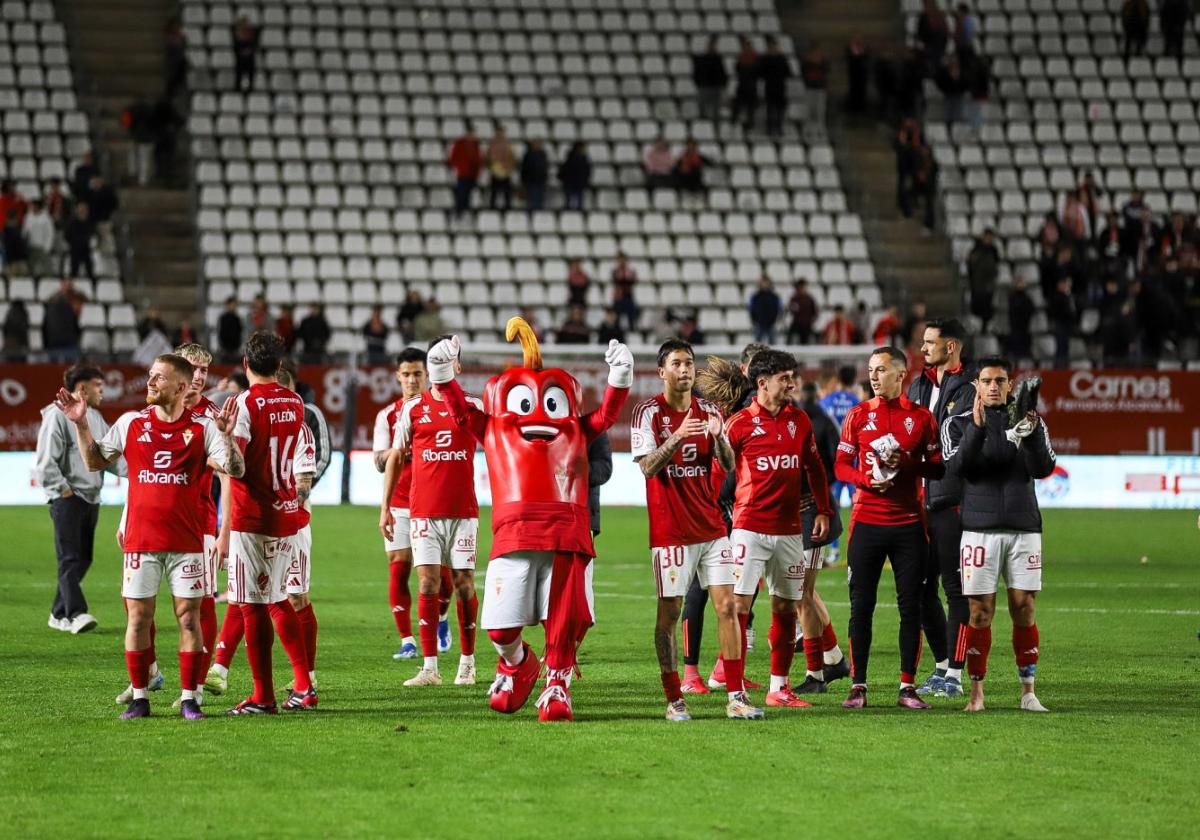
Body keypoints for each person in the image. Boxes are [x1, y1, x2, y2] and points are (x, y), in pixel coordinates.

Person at [433, 324, 633, 722]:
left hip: (567, 534)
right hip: (514, 533)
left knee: (564, 621)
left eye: (553, 403)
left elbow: (608, 414)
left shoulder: (577, 428)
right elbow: (458, 410)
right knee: (499, 628)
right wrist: (442, 376)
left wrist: (619, 378)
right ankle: (518, 663)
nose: (540, 413)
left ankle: (556, 683)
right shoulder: (491, 426)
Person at [58, 353, 242, 720]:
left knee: (189, 619)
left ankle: (190, 698)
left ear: (181, 386)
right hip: (142, 542)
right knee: (138, 619)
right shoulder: (131, 424)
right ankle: (140, 697)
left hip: (188, 542)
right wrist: (81, 425)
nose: (151, 382)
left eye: (159, 377)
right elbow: (95, 461)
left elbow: (234, 469)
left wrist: (227, 436)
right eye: (151, 375)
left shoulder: (203, 428)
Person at [631, 340, 763, 722]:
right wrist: (677, 436)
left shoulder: (708, 410)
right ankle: (674, 698)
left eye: (689, 363)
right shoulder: (648, 413)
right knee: (670, 613)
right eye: (677, 364)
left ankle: (736, 696)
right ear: (662, 372)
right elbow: (647, 468)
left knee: (730, 607)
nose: (685, 370)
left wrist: (720, 437)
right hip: (671, 532)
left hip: (712, 529)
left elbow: (729, 463)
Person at [834, 346, 944, 710]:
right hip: (866, 522)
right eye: (871, 370)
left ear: (901, 374)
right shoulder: (858, 415)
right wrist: (863, 480)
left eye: (881, 370)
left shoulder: (923, 418)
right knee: (859, 606)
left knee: (910, 607)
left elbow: (938, 467)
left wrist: (909, 462)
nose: (874, 376)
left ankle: (907, 688)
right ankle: (858, 686)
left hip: (910, 525)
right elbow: (839, 466)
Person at [942, 359, 1055, 712]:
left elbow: (1044, 467)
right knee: (980, 613)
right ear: (976, 385)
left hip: (1024, 529)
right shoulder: (956, 424)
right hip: (978, 531)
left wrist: (1031, 430)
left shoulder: (1031, 420)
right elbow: (958, 468)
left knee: (1025, 607)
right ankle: (977, 692)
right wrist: (978, 429)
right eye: (987, 380)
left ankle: (1028, 691)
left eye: (1000, 381)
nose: (993, 386)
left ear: (1010, 386)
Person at [723, 349, 833, 707]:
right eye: (785, 378)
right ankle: (735, 690)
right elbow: (717, 474)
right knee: (739, 606)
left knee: (786, 608)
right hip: (749, 528)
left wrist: (823, 509)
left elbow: (814, 468)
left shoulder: (799, 421)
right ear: (762, 383)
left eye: (792, 377)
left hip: (789, 531)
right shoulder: (738, 424)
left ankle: (778, 688)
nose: (792, 384)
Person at [221, 331, 318, 714]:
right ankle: (304, 685)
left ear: (245, 365)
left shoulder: (244, 405)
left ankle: (263, 696)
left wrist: (227, 440)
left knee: (249, 605)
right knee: (278, 599)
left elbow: (238, 466)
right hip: (287, 515)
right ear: (280, 367)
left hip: (252, 517)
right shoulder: (295, 402)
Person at [380, 335, 483, 688]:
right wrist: (386, 507)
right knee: (427, 582)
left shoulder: (474, 406)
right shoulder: (411, 409)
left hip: (463, 512)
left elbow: (498, 449)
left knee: (463, 584)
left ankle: (467, 663)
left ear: (458, 366)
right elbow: (396, 455)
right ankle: (429, 667)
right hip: (423, 512)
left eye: (448, 359)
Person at [906, 319, 975, 699]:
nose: (923, 348)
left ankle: (956, 673)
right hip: (917, 502)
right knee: (918, 589)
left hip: (951, 501)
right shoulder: (918, 384)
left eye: (930, 342)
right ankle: (941, 665)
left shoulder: (970, 388)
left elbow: (961, 442)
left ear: (951, 347)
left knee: (956, 588)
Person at [372, 349, 455, 661]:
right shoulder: (388, 416)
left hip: (434, 504)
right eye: (405, 374)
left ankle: (442, 619)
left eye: (417, 374)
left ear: (427, 375)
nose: (411, 380)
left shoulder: (442, 410)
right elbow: (379, 461)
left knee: (441, 579)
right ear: (397, 376)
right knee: (399, 567)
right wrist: (399, 451)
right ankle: (407, 639)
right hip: (399, 503)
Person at [35, 365, 122, 635]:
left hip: (91, 498)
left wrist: (143, 471)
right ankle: (76, 613)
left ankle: (57, 613)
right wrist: (63, 491)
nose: (102, 392)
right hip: (69, 498)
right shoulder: (57, 415)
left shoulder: (96, 418)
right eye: (98, 385)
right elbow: (46, 460)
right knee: (70, 559)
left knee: (83, 559)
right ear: (82, 388)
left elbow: (110, 457)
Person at [275, 368, 324, 696]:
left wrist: (288, 512)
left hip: (292, 525)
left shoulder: (302, 429)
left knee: (295, 596)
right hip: (258, 527)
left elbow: (304, 482)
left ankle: (307, 676)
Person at [757, 36, 792, 137]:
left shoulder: (782, 59)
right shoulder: (765, 59)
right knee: (770, 109)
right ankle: (769, 128)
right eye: (772, 46)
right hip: (770, 87)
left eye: (775, 46)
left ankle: (779, 127)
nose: (774, 48)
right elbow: (760, 73)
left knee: (780, 109)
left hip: (780, 87)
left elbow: (788, 72)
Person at [43, 280, 83, 363]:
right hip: (59, 341)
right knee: (68, 370)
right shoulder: (54, 302)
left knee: (62, 368)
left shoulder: (74, 300)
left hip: (60, 341)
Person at [447, 124, 483, 219]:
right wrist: (459, 166)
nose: (471, 135)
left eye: (472, 133)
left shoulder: (476, 144)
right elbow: (453, 158)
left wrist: (478, 171)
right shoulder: (459, 143)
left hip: (473, 174)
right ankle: (459, 213)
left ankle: (466, 213)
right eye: (470, 133)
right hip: (463, 173)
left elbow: (478, 159)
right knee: (461, 194)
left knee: (469, 194)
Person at [967, 229, 1000, 331]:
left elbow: (996, 265)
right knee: (977, 307)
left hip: (989, 284)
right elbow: (970, 265)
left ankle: (986, 327)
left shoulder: (994, 250)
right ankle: (976, 327)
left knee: (988, 308)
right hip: (977, 284)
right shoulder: (976, 249)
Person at [692, 36, 728, 128]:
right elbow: (696, 72)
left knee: (716, 112)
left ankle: (715, 129)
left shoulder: (718, 59)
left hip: (715, 87)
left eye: (713, 46)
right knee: (702, 110)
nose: (712, 47)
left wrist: (723, 84)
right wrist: (699, 83)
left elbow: (722, 73)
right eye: (710, 45)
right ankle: (702, 128)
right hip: (704, 87)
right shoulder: (702, 59)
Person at [800, 42, 830, 140]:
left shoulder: (824, 61)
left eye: (818, 52)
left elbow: (826, 71)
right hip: (809, 88)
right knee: (809, 110)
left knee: (820, 111)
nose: (816, 54)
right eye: (814, 52)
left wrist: (820, 62)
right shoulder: (806, 62)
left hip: (820, 89)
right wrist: (810, 62)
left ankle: (820, 131)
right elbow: (803, 73)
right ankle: (808, 131)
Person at [731, 36, 759, 133]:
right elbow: (737, 70)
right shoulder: (740, 58)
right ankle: (734, 123)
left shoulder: (756, 58)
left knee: (750, 108)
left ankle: (749, 125)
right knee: (737, 106)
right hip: (742, 86)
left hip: (751, 87)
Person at [485, 125, 517, 212]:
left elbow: (512, 158)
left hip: (506, 172)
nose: (499, 134)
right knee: (494, 193)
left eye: (501, 132)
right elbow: (487, 158)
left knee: (507, 193)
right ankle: (492, 210)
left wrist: (509, 166)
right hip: (495, 172)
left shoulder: (508, 144)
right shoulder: (492, 143)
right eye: (498, 132)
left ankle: (507, 210)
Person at [587, 432, 611, 540]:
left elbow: (604, 470)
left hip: (583, 520)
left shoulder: (595, 427)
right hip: (533, 517)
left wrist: (576, 468)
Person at [22, 199, 55, 277]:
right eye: (30, 206)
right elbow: (24, 230)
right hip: (30, 246)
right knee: (29, 269)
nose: (31, 208)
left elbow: (50, 233)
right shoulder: (28, 216)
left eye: (33, 206)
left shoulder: (46, 218)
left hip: (42, 247)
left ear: (38, 207)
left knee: (47, 268)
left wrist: (47, 247)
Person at [63, 202, 95, 281]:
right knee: (74, 271)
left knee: (90, 271)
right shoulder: (72, 222)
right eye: (80, 209)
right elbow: (67, 235)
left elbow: (93, 235)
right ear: (77, 210)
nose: (82, 211)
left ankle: (92, 287)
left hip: (86, 250)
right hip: (75, 249)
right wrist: (74, 242)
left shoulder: (90, 222)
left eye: (84, 209)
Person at [558, 142, 591, 211]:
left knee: (579, 204)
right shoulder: (570, 159)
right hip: (570, 183)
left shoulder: (584, 159)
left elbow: (587, 172)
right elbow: (565, 170)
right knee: (568, 203)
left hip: (579, 184)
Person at [748, 275, 781, 343]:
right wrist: (754, 320)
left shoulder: (774, 297)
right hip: (759, 323)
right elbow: (751, 309)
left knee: (773, 344)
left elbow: (778, 308)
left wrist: (775, 319)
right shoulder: (755, 297)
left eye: (766, 282)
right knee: (757, 344)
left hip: (771, 323)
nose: (764, 284)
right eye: (763, 282)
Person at [611, 252, 639, 332]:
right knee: (617, 316)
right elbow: (617, 280)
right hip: (619, 297)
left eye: (623, 260)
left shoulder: (630, 271)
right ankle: (617, 332)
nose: (622, 262)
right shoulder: (615, 271)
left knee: (632, 314)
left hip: (628, 295)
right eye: (620, 260)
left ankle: (632, 330)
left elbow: (633, 280)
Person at [519, 139, 549, 213]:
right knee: (531, 201)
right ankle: (531, 216)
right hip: (531, 182)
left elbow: (545, 168)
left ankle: (538, 217)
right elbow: (524, 169)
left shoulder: (543, 154)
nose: (538, 146)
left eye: (539, 144)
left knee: (540, 201)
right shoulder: (528, 155)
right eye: (536, 144)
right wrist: (524, 181)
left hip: (541, 181)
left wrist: (545, 178)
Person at [232, 16, 260, 92]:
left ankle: (250, 89)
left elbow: (254, 45)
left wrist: (249, 51)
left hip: (250, 59)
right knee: (239, 75)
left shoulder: (252, 33)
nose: (245, 25)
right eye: (243, 23)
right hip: (240, 60)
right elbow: (236, 46)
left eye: (246, 23)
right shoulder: (236, 34)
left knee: (250, 74)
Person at [785, 279, 818, 345]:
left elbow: (814, 311)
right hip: (797, 322)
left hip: (807, 324)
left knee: (805, 342)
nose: (803, 289)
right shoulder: (794, 298)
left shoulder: (809, 299)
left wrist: (812, 320)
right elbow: (790, 309)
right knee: (789, 338)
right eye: (802, 287)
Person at [217, 296, 243, 361]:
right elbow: (220, 333)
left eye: (234, 305)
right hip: (225, 348)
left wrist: (237, 346)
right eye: (232, 304)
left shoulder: (237, 319)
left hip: (235, 349)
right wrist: (222, 346)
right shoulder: (223, 318)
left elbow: (239, 332)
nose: (233, 306)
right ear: (228, 305)